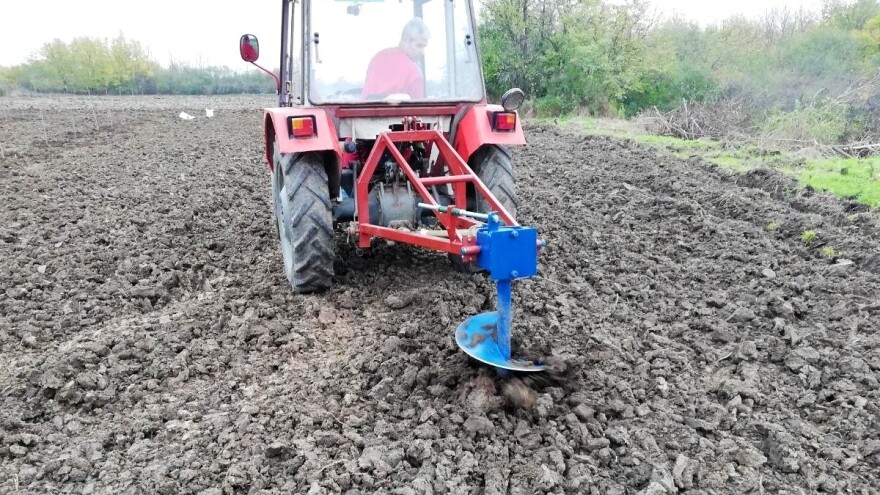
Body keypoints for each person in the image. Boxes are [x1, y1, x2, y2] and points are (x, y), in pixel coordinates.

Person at [361, 18, 430, 99]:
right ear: (405, 40)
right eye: (419, 46)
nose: (422, 52)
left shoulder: (377, 58)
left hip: (365, 111)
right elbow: (418, 108)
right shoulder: (414, 72)